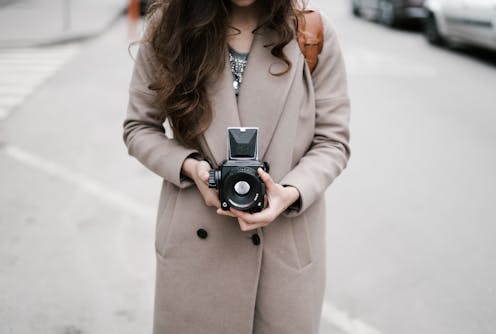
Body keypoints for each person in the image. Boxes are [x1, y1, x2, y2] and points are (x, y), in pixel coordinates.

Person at [122, 0, 351, 333]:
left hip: (284, 250)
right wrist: (190, 167)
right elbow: (138, 127)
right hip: (196, 245)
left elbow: (333, 141)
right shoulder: (169, 27)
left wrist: (289, 193)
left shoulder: (311, 32)